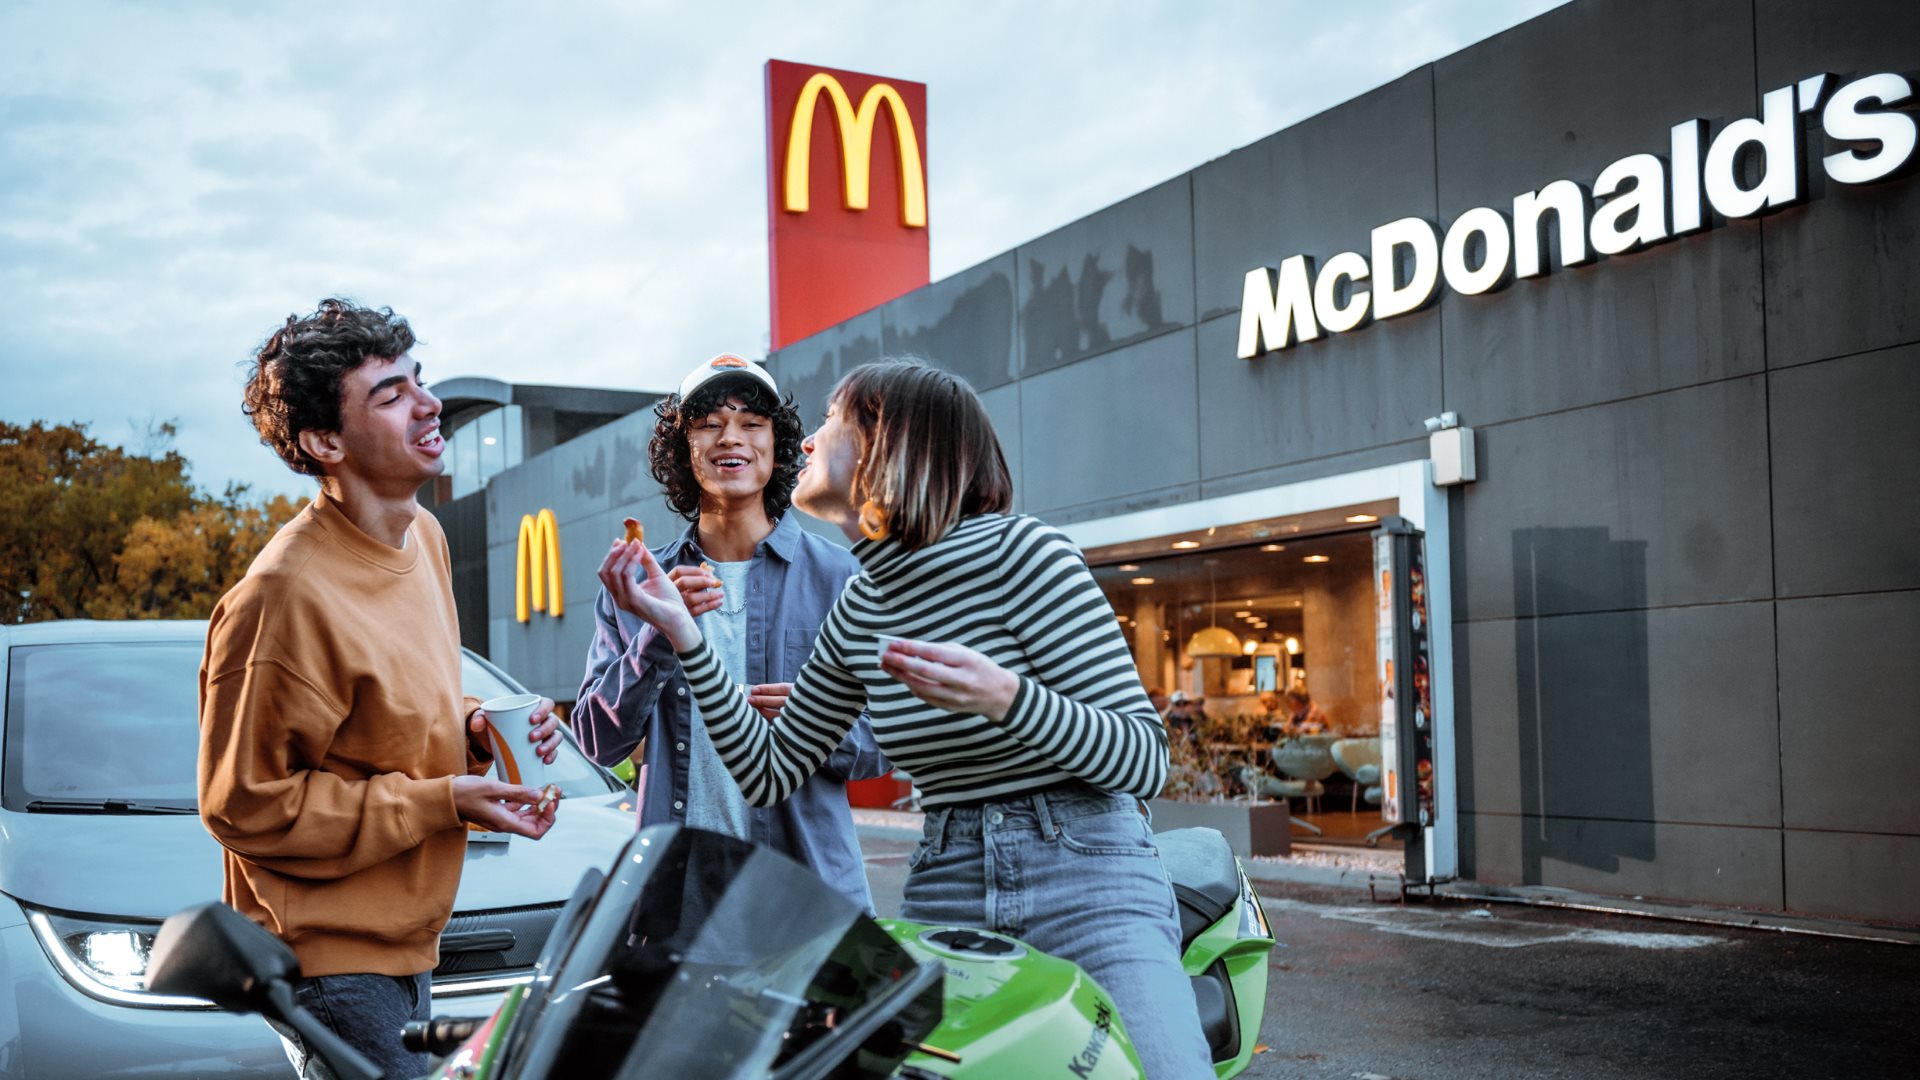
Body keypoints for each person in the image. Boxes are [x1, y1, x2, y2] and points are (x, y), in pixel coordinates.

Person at [597, 359, 1214, 1078]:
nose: (808, 437)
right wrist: (687, 640)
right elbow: (769, 774)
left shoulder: (1026, 554)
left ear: (889, 444)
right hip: (945, 880)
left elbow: (1144, 759)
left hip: (1086, 874)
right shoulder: (862, 603)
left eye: (831, 419)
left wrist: (1009, 699)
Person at [198, 299, 562, 1078]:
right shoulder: (284, 596)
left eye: (417, 381)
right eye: (390, 395)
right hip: (331, 968)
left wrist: (482, 728)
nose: (428, 406)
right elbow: (242, 802)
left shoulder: (422, 535)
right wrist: (442, 801)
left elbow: (402, 705)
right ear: (325, 441)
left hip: (410, 944)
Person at [576, 353, 887, 910]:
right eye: (708, 423)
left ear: (778, 444)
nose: (730, 438)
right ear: (683, 450)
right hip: (674, 899)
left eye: (751, 422)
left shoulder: (841, 576)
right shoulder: (638, 582)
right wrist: (658, 640)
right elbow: (598, 742)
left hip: (807, 898)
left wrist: (816, 724)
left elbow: (887, 740)